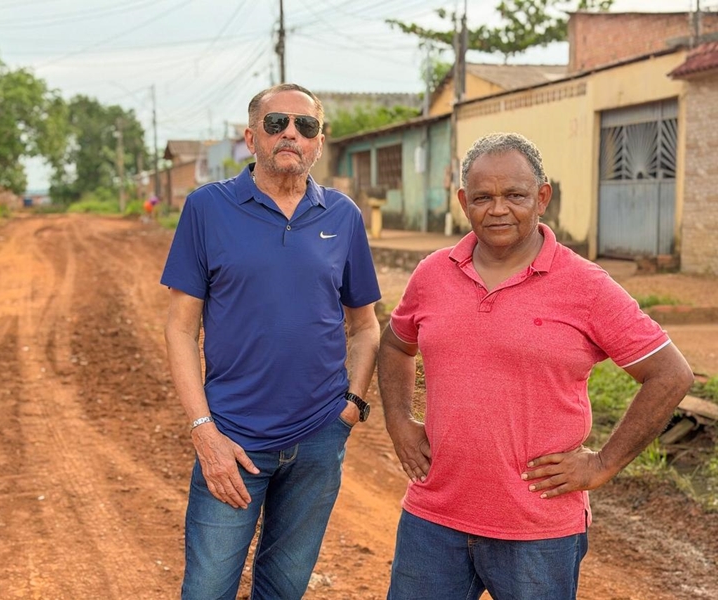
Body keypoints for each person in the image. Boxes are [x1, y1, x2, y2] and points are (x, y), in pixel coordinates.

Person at [378, 132, 693, 600]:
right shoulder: (433, 274)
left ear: (542, 197)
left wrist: (603, 464)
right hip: (433, 519)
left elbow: (671, 374)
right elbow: (395, 345)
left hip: (538, 529)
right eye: (483, 197)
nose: (498, 209)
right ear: (465, 201)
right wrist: (400, 421)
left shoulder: (586, 285)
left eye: (516, 195)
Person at [161, 83, 381, 599]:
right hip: (233, 439)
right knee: (207, 589)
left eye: (305, 127)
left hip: (319, 440)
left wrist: (350, 406)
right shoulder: (207, 209)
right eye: (276, 123)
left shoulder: (343, 216)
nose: (290, 134)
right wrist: (203, 432)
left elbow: (366, 325)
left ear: (318, 143)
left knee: (284, 589)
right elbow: (179, 327)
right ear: (250, 137)